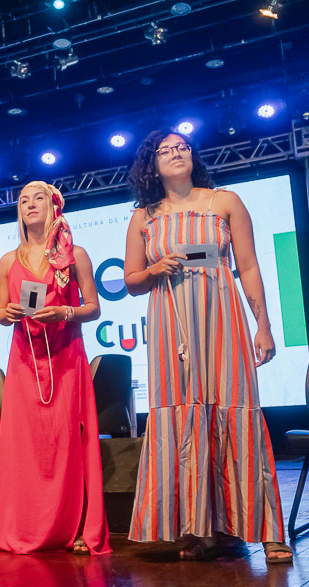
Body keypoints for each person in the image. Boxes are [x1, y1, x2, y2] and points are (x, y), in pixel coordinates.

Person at [124, 130, 291, 563]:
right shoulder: (145, 216)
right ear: (152, 165)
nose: (176, 153)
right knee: (184, 418)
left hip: (223, 318)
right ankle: (201, 528)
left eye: (182, 147)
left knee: (234, 411)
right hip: (170, 327)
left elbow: (249, 265)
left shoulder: (225, 201)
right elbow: (130, 281)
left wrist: (265, 326)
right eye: (166, 150)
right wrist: (154, 268)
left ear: (192, 156)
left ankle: (267, 529)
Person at [0, 181, 111, 555]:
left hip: (66, 358)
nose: (29, 204)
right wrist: (7, 314)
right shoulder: (8, 260)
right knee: (28, 445)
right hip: (25, 363)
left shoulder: (75, 255)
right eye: (23, 200)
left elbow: (94, 307)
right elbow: (0, 312)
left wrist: (65, 311)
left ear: (54, 205)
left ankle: (73, 526)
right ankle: (29, 523)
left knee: (67, 443)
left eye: (37, 197)